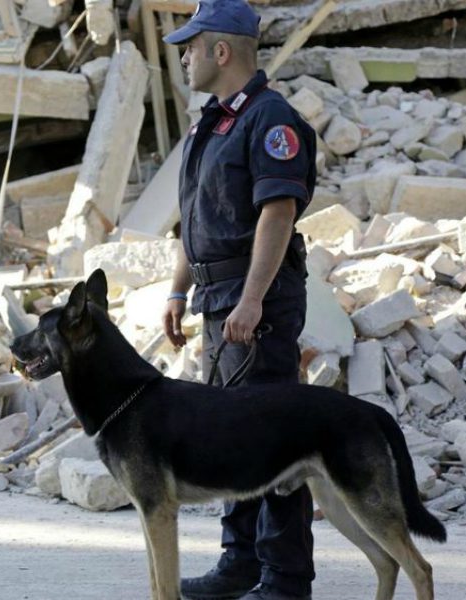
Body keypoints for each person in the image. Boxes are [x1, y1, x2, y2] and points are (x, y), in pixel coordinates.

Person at [160, 1, 317, 599]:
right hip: (216, 297)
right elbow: (192, 214)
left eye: (191, 47)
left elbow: (277, 212)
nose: (183, 57)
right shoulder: (211, 123)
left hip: (259, 300)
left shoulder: (269, 121)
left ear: (220, 52)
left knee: (273, 440)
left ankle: (284, 579)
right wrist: (179, 287)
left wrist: (253, 301)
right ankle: (240, 563)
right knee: (230, 436)